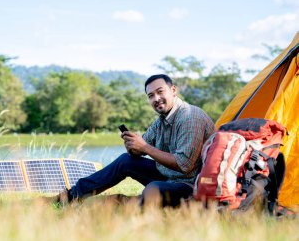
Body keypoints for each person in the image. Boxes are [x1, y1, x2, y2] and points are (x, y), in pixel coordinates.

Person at [57, 74, 215, 207]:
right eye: (151, 96)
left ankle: (124, 201)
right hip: (169, 177)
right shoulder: (161, 120)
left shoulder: (190, 117)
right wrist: (132, 145)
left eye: (160, 92)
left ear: (173, 90)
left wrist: (145, 147)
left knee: (153, 189)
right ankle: (70, 196)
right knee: (126, 160)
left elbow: (184, 165)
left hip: (191, 185)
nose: (156, 98)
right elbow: (140, 149)